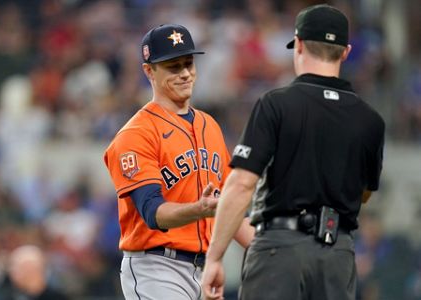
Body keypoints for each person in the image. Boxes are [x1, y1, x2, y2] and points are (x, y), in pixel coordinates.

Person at [202, 4, 385, 300]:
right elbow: (364, 192)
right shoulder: (371, 120)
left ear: (298, 45)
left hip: (279, 250)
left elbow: (242, 183)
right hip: (337, 254)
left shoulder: (276, 104)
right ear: (345, 52)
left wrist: (215, 257)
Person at [103, 24, 254, 300]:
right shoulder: (136, 134)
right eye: (173, 66)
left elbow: (230, 209)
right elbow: (152, 211)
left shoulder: (210, 126)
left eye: (188, 64)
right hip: (156, 268)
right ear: (149, 71)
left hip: (205, 268)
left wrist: (273, 253)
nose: (185, 73)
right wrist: (200, 209)